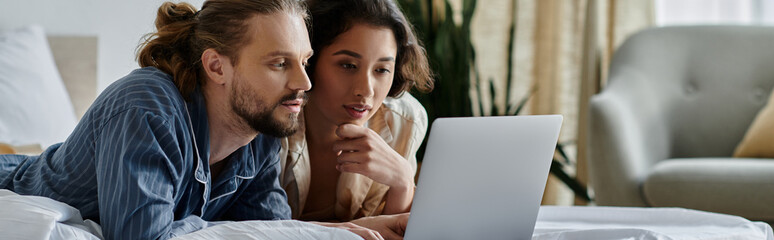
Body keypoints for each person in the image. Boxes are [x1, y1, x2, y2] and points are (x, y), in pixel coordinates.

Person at [0, 0, 405, 239]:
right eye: (280, 63)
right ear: (217, 67)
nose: (302, 82)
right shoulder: (146, 108)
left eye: (303, 62)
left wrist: (338, 234)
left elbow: (271, 231)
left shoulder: (261, 131)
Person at [279, 0, 434, 222]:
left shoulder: (404, 120)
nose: (366, 90)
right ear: (310, 61)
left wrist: (403, 181)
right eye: (348, 66)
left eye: (382, 70)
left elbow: (397, 231)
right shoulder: (275, 115)